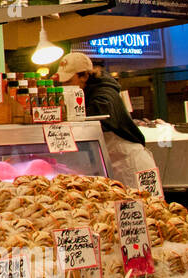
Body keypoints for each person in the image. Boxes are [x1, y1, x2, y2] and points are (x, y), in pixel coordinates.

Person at [54, 52, 158, 188]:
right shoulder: (82, 93)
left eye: (68, 81)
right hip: (113, 166)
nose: (64, 87)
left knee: (147, 206)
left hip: (132, 165)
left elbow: (99, 113)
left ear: (84, 76)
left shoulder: (105, 93)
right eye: (61, 83)